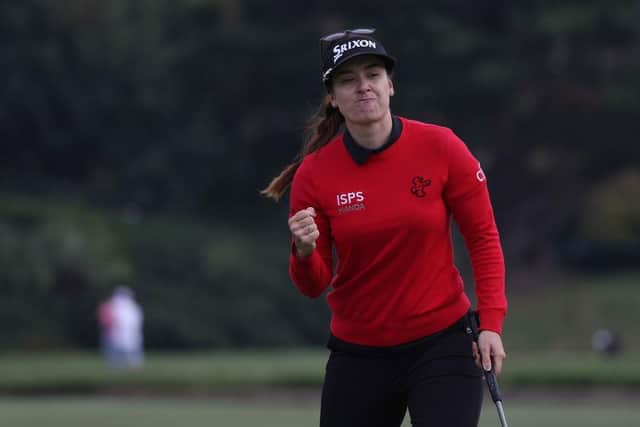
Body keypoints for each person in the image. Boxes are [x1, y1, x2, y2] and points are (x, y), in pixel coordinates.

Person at [262, 28, 507, 427]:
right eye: (347, 80)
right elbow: (312, 285)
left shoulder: (441, 147)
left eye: (373, 75)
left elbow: (483, 238)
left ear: (390, 85)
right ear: (332, 98)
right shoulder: (314, 175)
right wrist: (303, 251)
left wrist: (492, 323)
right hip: (359, 352)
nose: (363, 87)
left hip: (442, 341)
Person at [97, 285, 144, 368]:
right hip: (118, 333)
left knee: (128, 350)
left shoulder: (129, 307)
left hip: (125, 333)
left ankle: (128, 365)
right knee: (120, 351)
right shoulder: (118, 306)